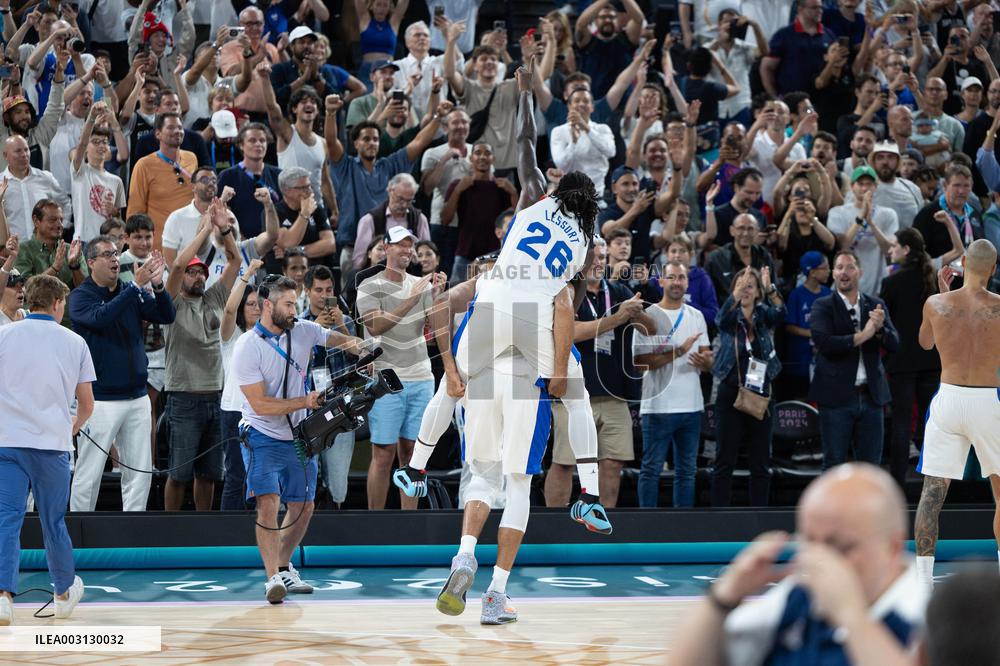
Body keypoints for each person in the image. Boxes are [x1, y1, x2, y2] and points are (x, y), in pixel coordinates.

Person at [670, 463, 927, 666]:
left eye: (841, 546)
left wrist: (851, 616)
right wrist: (724, 596)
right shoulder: (794, 599)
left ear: (892, 548)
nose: (822, 559)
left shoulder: (928, 618)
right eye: (810, 543)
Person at [231, 274, 364, 603]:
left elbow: (338, 340)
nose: (294, 310)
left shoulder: (303, 330)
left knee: (304, 505)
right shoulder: (247, 346)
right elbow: (260, 404)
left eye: (295, 303)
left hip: (299, 436)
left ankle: (284, 565)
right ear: (268, 305)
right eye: (288, 304)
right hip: (260, 433)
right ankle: (271, 577)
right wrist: (305, 402)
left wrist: (363, 348)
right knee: (269, 501)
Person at [0, 274, 93, 626]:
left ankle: (2, 598)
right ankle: (63, 593)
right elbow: (86, 404)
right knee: (52, 521)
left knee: (6, 520)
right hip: (51, 445)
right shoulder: (74, 341)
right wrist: (72, 426)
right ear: (56, 303)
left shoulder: (4, 334)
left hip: (6, 441)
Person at [914, 239, 1000, 592]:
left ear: (963, 263)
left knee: (931, 494)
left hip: (948, 398)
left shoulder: (936, 304)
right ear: (993, 269)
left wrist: (940, 296)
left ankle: (923, 582)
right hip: (986, 400)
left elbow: (925, 344)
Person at [545, 239, 656, 510]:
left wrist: (637, 315)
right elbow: (569, 331)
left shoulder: (619, 290)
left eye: (602, 258)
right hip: (571, 391)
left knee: (613, 462)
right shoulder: (566, 291)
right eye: (592, 257)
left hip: (614, 392)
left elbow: (651, 331)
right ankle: (556, 521)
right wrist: (617, 319)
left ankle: (603, 521)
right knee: (564, 462)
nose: (598, 262)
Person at [68, 237, 174, 512]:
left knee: (139, 472)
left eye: (116, 253)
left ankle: (134, 532)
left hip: (137, 397)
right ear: (90, 262)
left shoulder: (129, 290)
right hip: (99, 400)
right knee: (89, 472)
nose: (115, 259)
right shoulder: (81, 296)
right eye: (107, 255)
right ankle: (82, 532)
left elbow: (166, 315)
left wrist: (159, 285)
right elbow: (101, 317)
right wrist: (136, 287)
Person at [357, 227, 446, 510]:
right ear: (386, 247)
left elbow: (437, 326)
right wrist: (412, 297)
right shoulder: (369, 286)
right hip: (387, 380)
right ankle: (377, 525)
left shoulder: (421, 284)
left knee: (413, 456)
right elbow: (376, 325)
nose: (408, 251)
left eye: (411, 246)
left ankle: (411, 525)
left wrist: (439, 295)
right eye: (401, 245)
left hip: (421, 378)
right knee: (383, 454)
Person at [162, 202, 241, 510]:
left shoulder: (214, 297)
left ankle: (203, 527)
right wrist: (206, 230)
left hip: (215, 396)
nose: (196, 276)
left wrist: (225, 230)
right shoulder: (171, 302)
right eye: (192, 272)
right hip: (183, 396)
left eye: (201, 272)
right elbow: (177, 265)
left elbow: (234, 261)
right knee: (179, 472)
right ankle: (170, 531)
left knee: (208, 473)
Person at [810, 250, 899, 469]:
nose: (844, 272)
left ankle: (866, 505)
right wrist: (865, 334)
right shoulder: (822, 306)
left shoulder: (875, 304)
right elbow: (825, 344)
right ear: (833, 273)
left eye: (849, 267)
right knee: (834, 463)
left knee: (871, 467)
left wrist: (879, 331)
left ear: (860, 272)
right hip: (836, 398)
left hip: (871, 397)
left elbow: (895, 343)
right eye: (839, 267)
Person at [632, 261, 711, 508]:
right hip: (658, 407)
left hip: (691, 406)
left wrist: (706, 362)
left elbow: (708, 357)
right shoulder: (649, 316)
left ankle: (683, 529)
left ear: (687, 283)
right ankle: (647, 528)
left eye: (681, 277)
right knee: (651, 470)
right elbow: (639, 363)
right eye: (672, 277)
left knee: (687, 472)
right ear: (661, 281)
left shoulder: (696, 315)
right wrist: (679, 351)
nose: (677, 282)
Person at [711, 266, 784, 507]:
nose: (745, 290)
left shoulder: (764, 314)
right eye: (740, 285)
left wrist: (770, 287)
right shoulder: (729, 317)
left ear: (758, 292)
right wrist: (736, 294)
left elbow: (781, 313)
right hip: (730, 393)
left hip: (761, 393)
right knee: (724, 459)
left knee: (761, 461)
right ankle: (720, 516)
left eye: (750, 286)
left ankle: (758, 516)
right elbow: (720, 319)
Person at [880, 229, 942, 487]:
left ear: (906, 250)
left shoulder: (891, 283)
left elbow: (885, 323)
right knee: (932, 425)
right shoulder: (933, 279)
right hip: (931, 361)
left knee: (902, 426)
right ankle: (935, 484)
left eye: (894, 245)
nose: (890, 250)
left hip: (902, 363)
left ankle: (897, 484)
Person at [299, 266, 358, 509]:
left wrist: (340, 328)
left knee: (338, 483)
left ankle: (335, 520)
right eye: (318, 290)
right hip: (307, 409)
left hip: (340, 407)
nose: (324, 295)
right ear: (307, 291)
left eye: (329, 290)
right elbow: (294, 364)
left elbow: (359, 354)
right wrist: (315, 329)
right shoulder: (298, 323)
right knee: (306, 481)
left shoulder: (345, 321)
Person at [219, 260, 262, 512]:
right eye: (250, 304)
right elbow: (227, 311)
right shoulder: (231, 336)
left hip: (263, 413)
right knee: (235, 476)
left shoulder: (272, 338)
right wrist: (246, 275)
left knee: (260, 479)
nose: (256, 309)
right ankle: (228, 540)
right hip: (234, 411)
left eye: (259, 304)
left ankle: (257, 535)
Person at [441, 143, 517, 284]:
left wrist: (513, 193)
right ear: (471, 158)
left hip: (495, 256)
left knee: (491, 300)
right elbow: (445, 219)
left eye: (487, 153)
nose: (482, 156)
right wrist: (458, 190)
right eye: (478, 153)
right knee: (455, 299)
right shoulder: (458, 185)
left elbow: (519, 220)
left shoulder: (503, 187)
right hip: (465, 254)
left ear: (493, 158)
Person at [125, 112, 199, 250]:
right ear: (158, 134)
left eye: (180, 127)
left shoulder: (192, 158)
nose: (177, 131)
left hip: (192, 246)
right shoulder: (144, 165)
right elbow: (135, 214)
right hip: (160, 249)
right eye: (171, 128)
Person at [827, 166, 899, 296]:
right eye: (860, 184)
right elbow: (842, 246)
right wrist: (861, 216)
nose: (865, 188)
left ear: (875, 187)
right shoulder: (837, 212)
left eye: (869, 184)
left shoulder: (888, 214)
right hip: (845, 286)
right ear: (852, 186)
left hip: (877, 286)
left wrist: (871, 223)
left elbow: (889, 251)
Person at [781, 252, 831, 400]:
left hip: (824, 356)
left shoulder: (828, 293)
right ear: (812, 272)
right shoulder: (796, 295)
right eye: (824, 268)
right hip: (801, 358)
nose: (829, 271)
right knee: (802, 397)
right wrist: (813, 334)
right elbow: (789, 326)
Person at [760, 0, 835, 97]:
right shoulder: (783, 35)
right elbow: (766, 68)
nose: (819, 11)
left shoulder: (829, 35)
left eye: (821, 7)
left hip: (823, 98)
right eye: (814, 8)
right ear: (800, 9)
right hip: (791, 99)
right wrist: (775, 97)